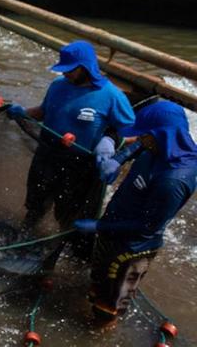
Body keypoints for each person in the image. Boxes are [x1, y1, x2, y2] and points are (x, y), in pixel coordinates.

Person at [74, 100, 197, 324]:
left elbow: (147, 227)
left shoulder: (173, 180)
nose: (140, 138)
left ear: (163, 135)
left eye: (145, 134)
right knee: (98, 282)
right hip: (113, 228)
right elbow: (139, 144)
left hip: (131, 251)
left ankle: (100, 330)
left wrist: (98, 226)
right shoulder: (158, 143)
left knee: (109, 305)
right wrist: (118, 159)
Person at [6, 40, 135, 243]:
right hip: (46, 156)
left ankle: (60, 246)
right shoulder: (58, 85)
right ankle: (26, 235)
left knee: (67, 212)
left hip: (78, 165)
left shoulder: (111, 95)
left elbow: (130, 130)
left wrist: (109, 141)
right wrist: (23, 113)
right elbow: (42, 112)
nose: (65, 73)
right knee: (35, 203)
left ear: (86, 67)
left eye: (70, 70)